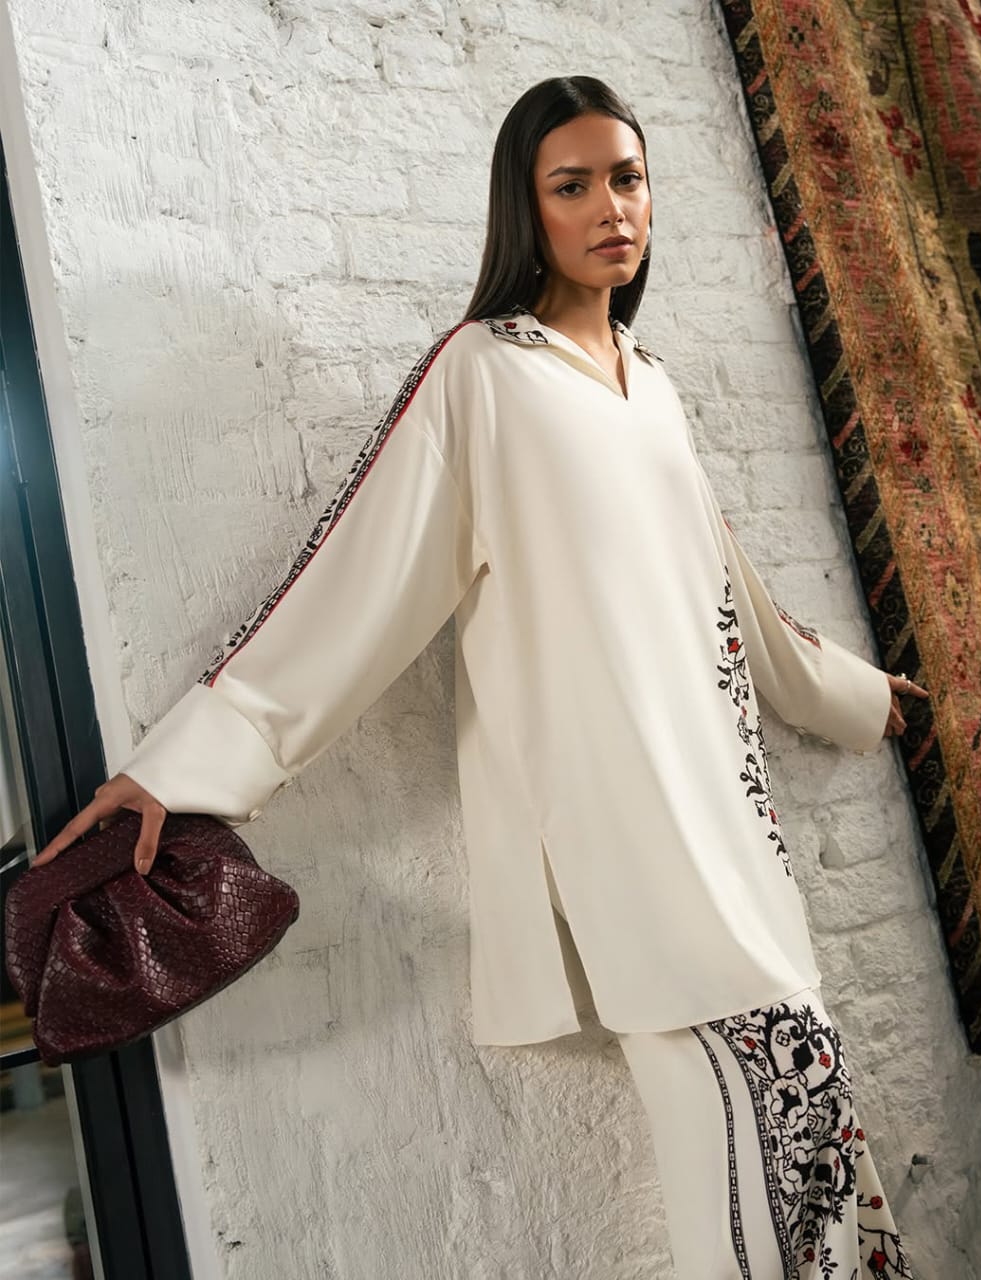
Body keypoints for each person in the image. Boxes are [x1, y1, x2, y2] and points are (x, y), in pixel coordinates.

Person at [35, 76, 926, 1278]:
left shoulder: (651, 382)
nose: (611, 207)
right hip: (631, 841)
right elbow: (353, 578)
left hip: (735, 827)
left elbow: (734, 592)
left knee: (817, 1151)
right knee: (759, 1159)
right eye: (573, 185)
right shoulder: (483, 373)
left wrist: (857, 694)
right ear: (525, 209)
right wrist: (182, 764)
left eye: (627, 177)